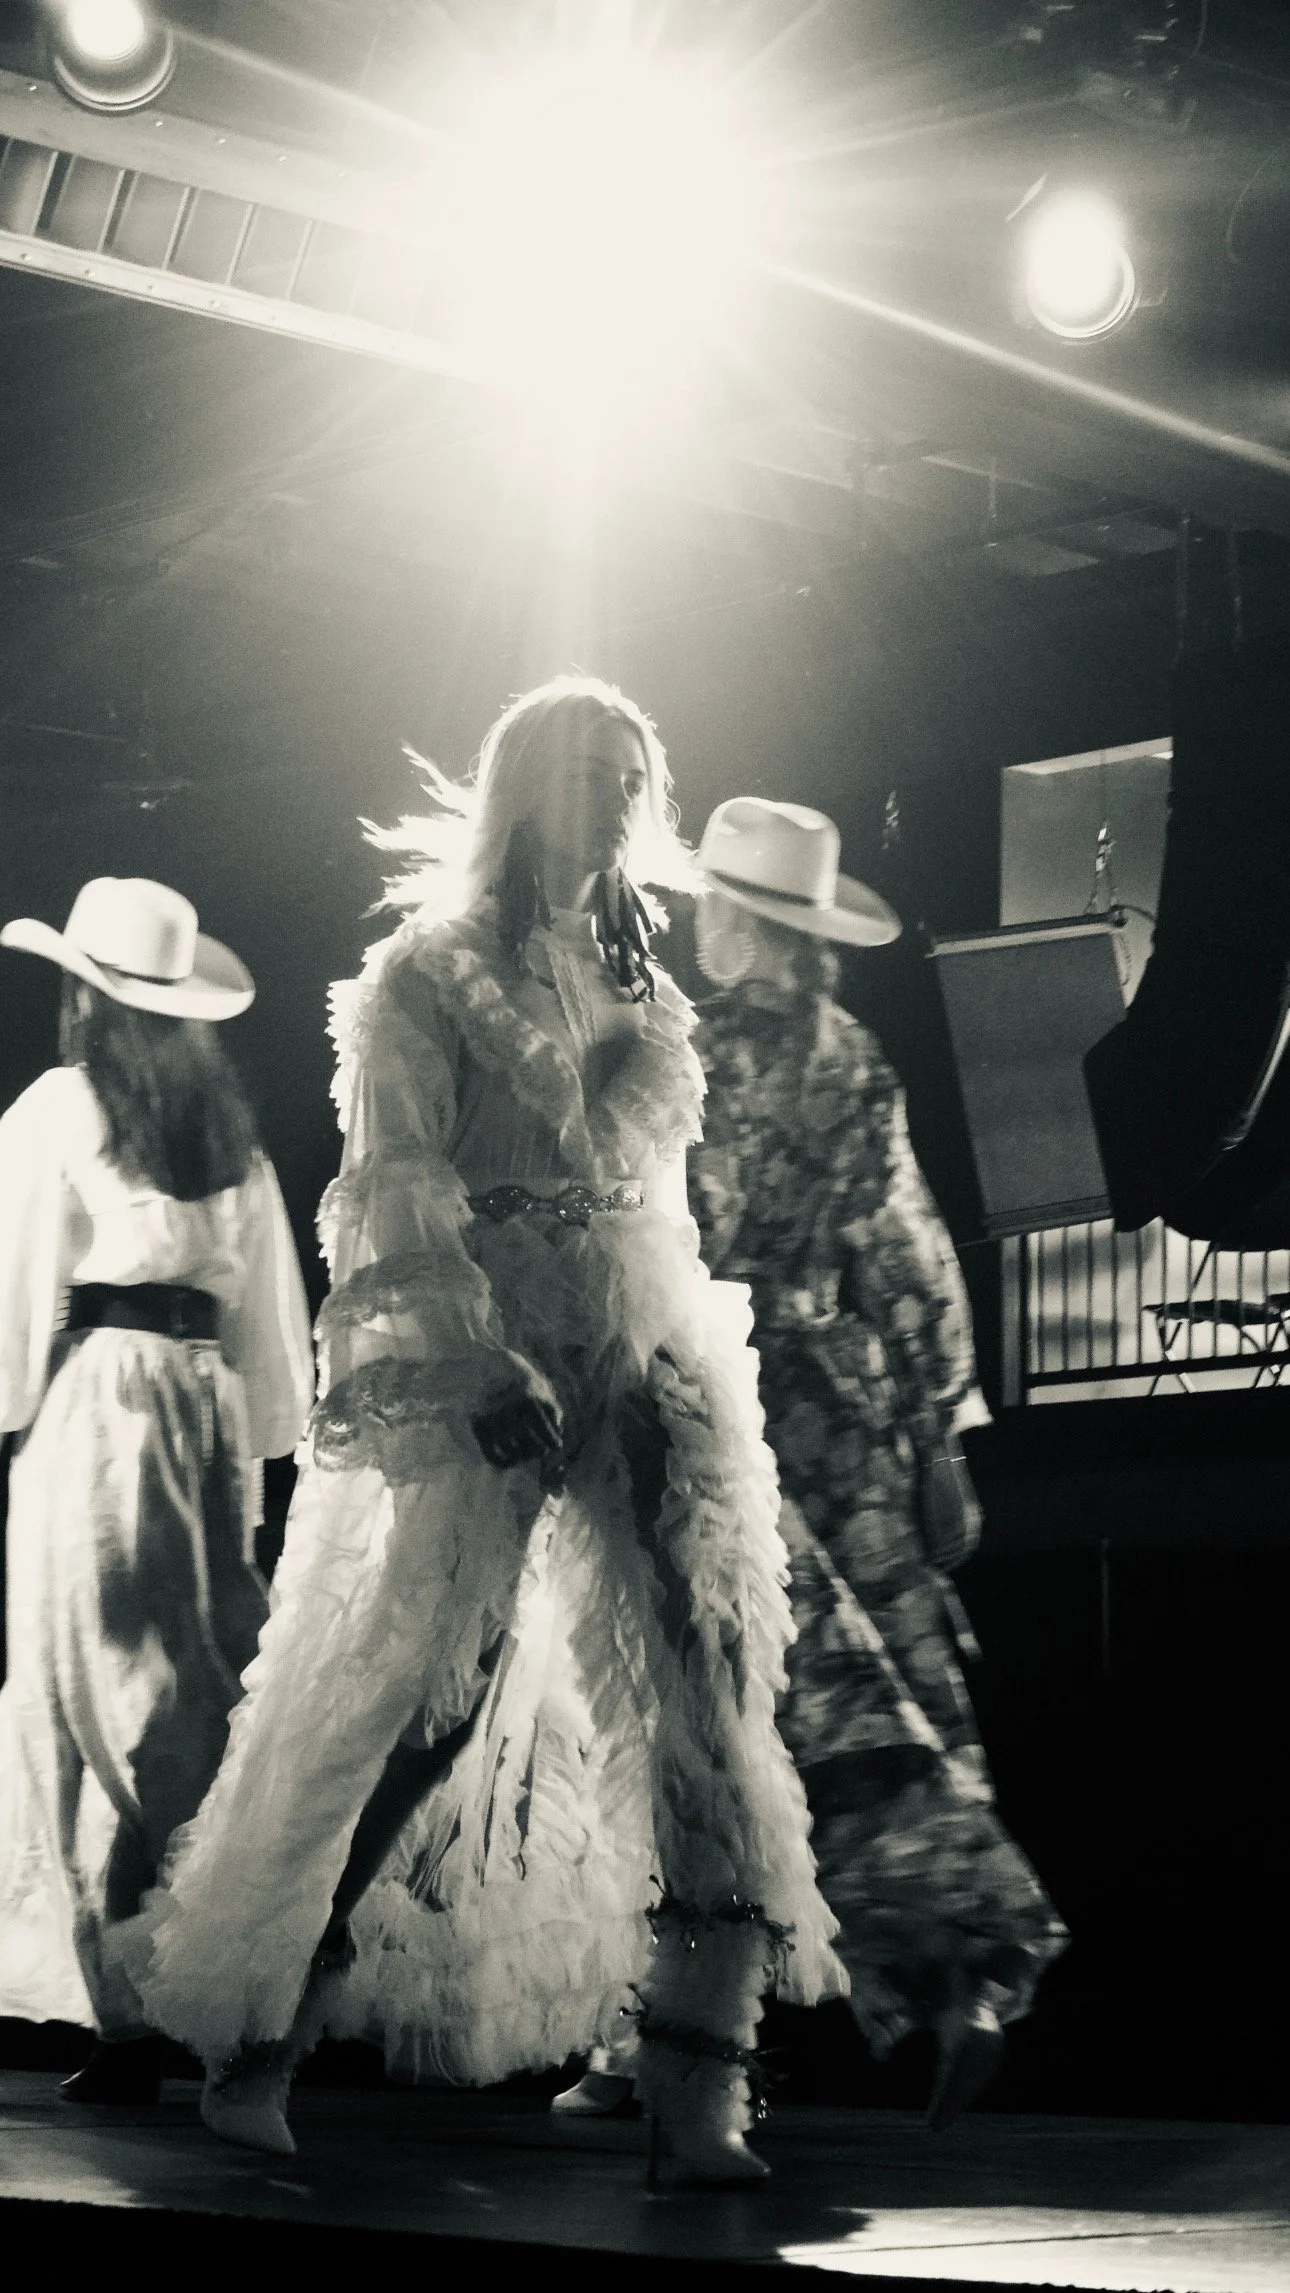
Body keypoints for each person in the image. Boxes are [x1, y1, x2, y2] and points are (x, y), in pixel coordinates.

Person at [121, 678, 842, 2180]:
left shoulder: (642, 974)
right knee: (429, 1696)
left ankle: (697, 2086)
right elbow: (391, 1183)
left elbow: (653, 1190)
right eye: (581, 764)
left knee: (707, 1688)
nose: (608, 790)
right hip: (499, 1342)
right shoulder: (426, 976)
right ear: (522, 781)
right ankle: (264, 2030)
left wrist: (665, 1352)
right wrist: (479, 1360)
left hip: (646, 1330)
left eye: (628, 769)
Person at [685, 798, 1067, 2127]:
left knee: (745, 1722)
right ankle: (958, 1978)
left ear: (732, 918)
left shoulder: (686, 1058)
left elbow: (676, 1247)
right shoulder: (855, 1058)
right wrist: (939, 1442)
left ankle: (675, 2042)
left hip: (730, 1404)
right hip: (850, 1408)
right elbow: (906, 1262)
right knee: (898, 1696)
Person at [0, 877, 314, 2103]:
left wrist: (18, 1406)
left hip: (107, 1409)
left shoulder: (61, 1105)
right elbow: (267, 1318)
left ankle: (156, 1996)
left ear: (85, 993)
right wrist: (264, 1445)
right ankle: (179, 1988)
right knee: (184, 1688)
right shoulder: (224, 1123)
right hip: (201, 1405)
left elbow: (21, 1270)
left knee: (95, 1692)